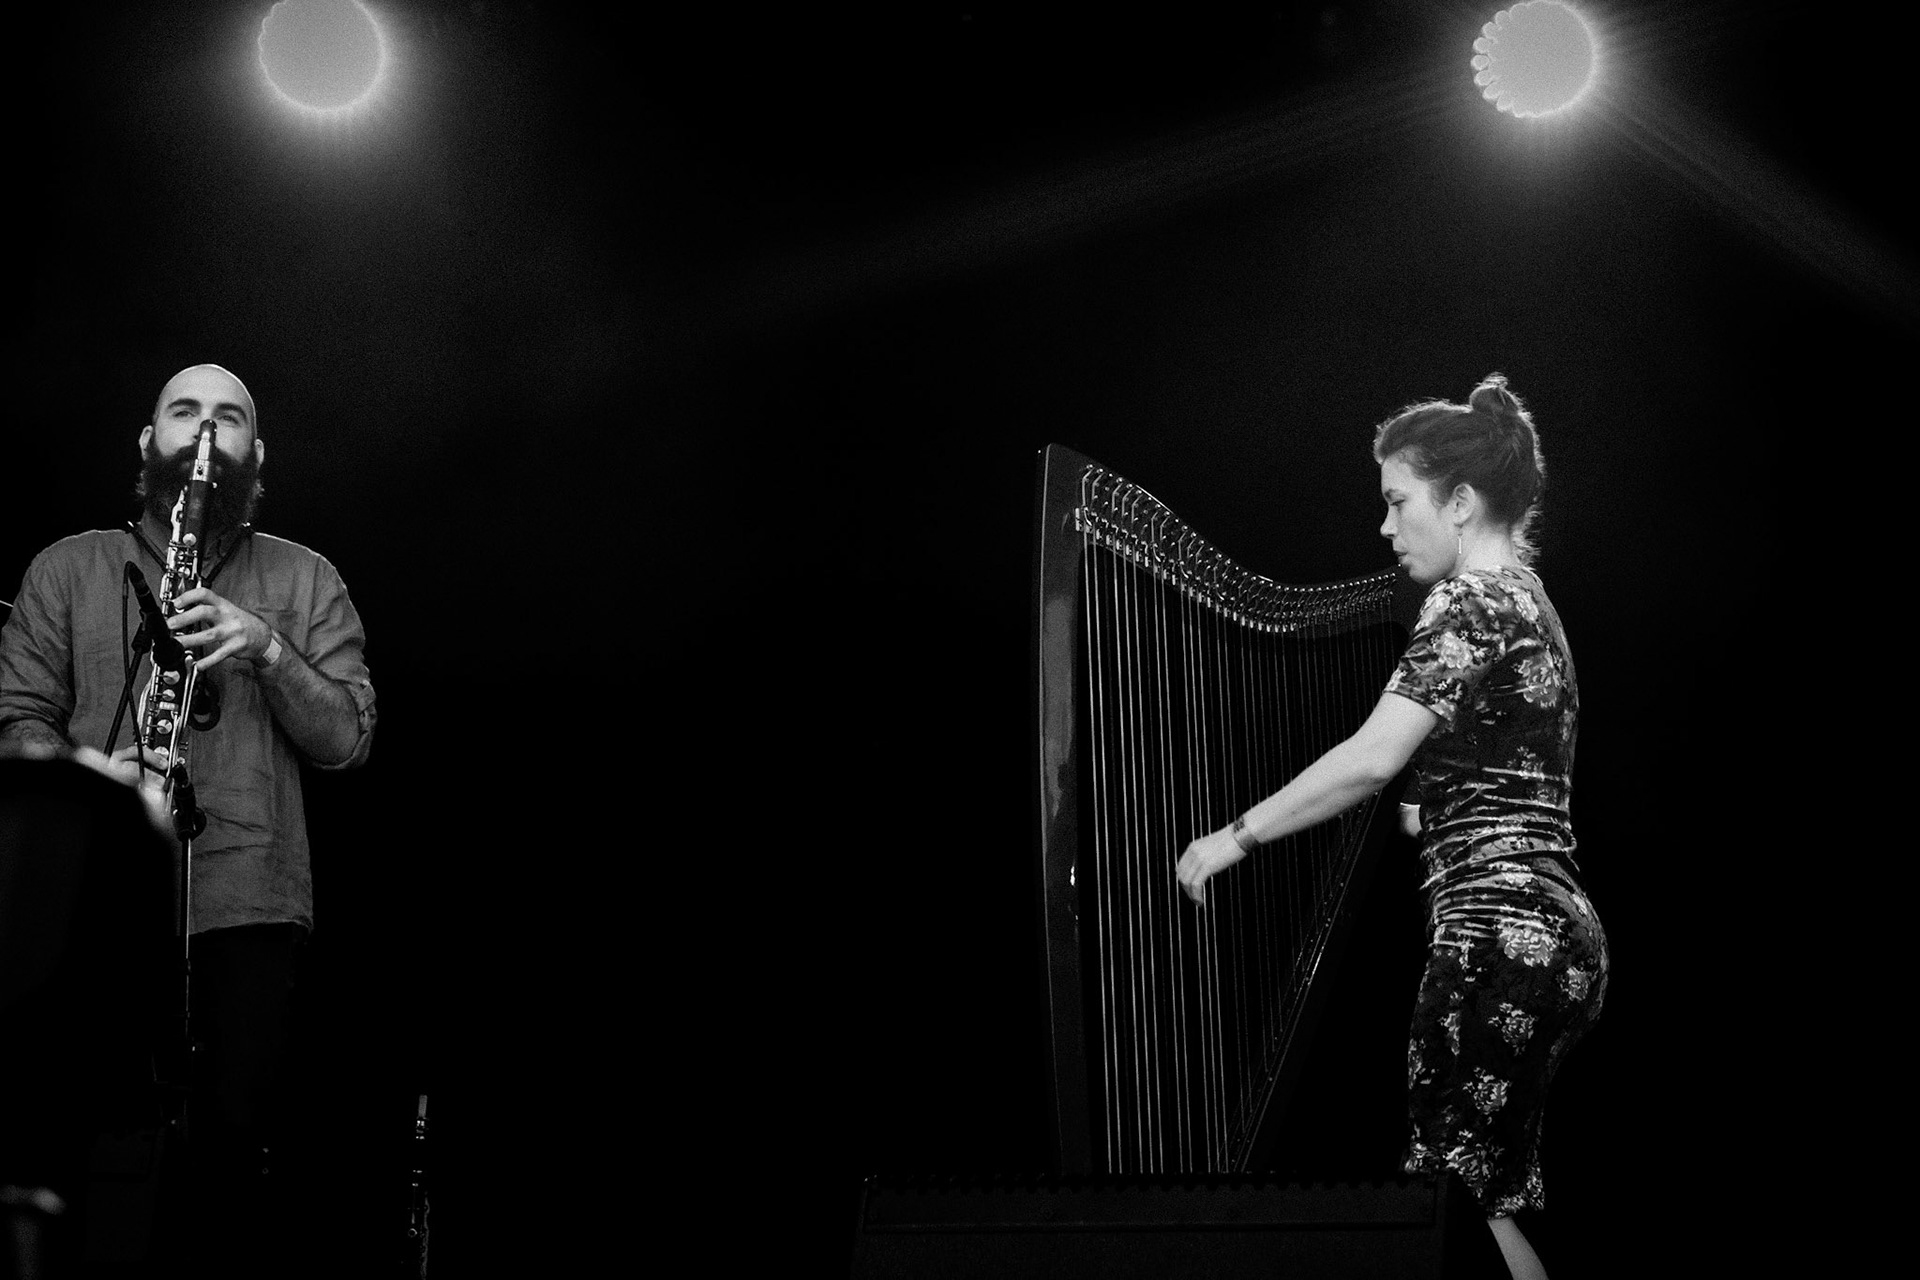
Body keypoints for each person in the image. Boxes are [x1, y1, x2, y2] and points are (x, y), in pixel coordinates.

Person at [1175, 373, 1607, 1280]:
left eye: (1396, 502)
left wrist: (1234, 837)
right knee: (1472, 1204)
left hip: (1498, 935)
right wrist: (1431, 805)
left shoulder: (1471, 601)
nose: (1384, 527)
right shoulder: (1531, 603)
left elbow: (1372, 758)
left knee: (1444, 1202)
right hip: (1551, 937)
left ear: (1457, 502)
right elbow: (1509, 774)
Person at [0, 362, 376, 1275]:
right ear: (148, 441)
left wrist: (268, 648)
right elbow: (14, 726)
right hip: (96, 904)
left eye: (229, 419)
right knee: (88, 1147)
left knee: (227, 1160)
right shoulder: (68, 567)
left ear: (254, 452)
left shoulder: (306, 575)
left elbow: (348, 740)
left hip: (248, 908)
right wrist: (95, 770)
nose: (205, 434)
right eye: (184, 412)